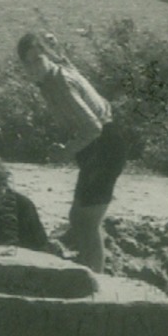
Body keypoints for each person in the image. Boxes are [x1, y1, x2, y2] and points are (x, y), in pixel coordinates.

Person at [17, 31, 127, 272]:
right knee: (80, 219)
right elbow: (65, 60)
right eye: (28, 63)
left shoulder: (59, 83)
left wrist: (65, 153)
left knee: (85, 221)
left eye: (38, 59)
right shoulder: (54, 73)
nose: (34, 67)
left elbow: (93, 128)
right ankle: (91, 270)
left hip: (105, 146)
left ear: (47, 57)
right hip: (101, 146)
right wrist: (56, 46)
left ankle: (95, 279)